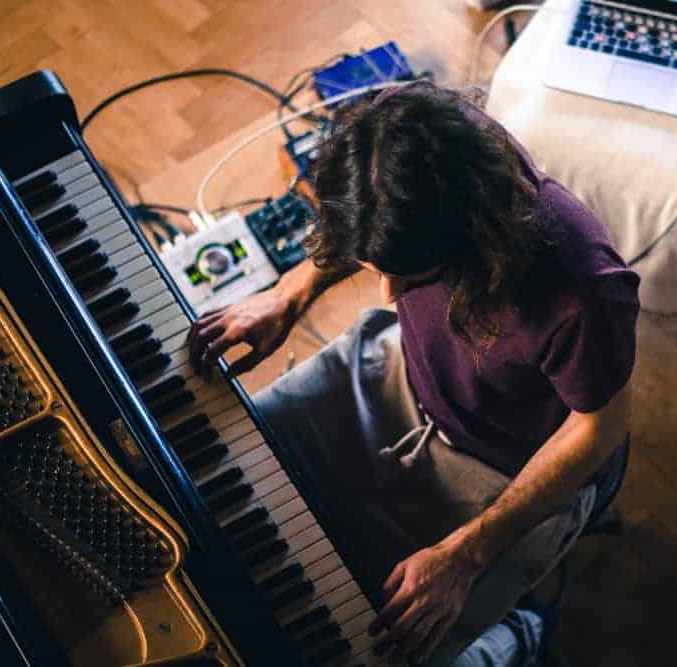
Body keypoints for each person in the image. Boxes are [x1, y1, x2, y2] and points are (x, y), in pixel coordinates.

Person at [187, 80, 639, 666]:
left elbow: (599, 429)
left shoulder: (583, 291)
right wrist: (288, 293)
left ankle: (513, 639)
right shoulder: (402, 131)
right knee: (212, 463)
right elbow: (365, 220)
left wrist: (464, 557)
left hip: (499, 463)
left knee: (380, 653)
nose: (388, 293)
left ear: (475, 237)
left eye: (413, 275)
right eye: (380, 268)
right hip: (397, 373)